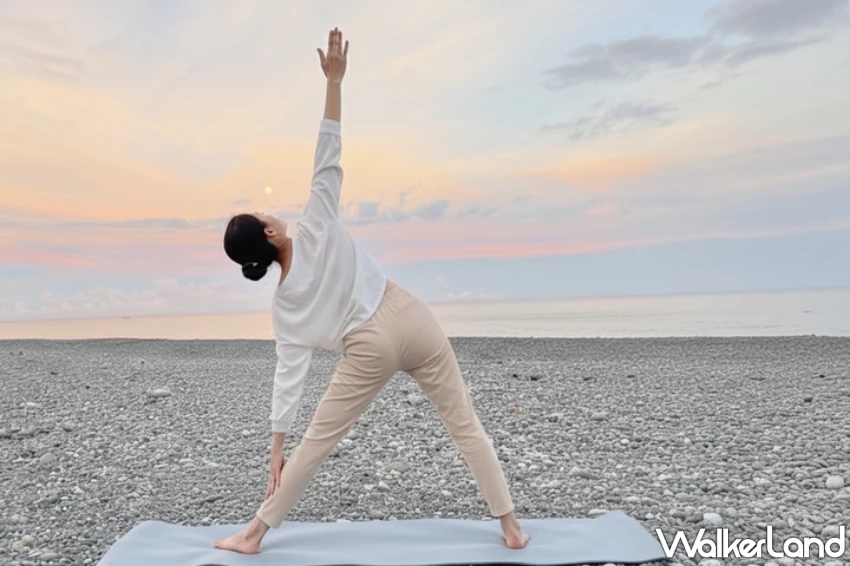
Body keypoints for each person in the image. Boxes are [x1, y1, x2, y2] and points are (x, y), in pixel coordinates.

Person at [215, 28, 530, 555]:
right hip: (409, 314)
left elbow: (288, 376)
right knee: (465, 426)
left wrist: (276, 447)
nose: (271, 213)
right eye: (264, 215)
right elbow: (328, 150)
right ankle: (512, 529)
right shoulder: (313, 224)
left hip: (367, 347)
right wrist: (335, 82)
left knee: (314, 446)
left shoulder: (284, 306)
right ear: (270, 234)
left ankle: (253, 535)